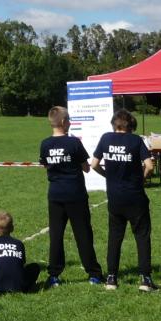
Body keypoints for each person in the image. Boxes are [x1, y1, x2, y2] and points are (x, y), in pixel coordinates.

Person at [91, 108, 156, 292]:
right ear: (131, 125)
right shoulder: (136, 140)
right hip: (135, 196)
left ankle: (111, 278)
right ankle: (145, 279)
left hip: (115, 197)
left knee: (115, 237)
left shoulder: (106, 138)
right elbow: (150, 166)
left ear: (115, 124)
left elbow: (94, 164)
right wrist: (141, 179)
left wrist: (108, 176)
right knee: (142, 236)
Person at [42, 106, 103, 287]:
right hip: (75, 194)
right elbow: (86, 168)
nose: (69, 123)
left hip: (55, 195)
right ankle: (93, 273)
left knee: (56, 235)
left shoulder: (45, 144)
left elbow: (46, 165)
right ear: (63, 122)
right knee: (83, 234)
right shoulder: (74, 143)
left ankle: (54, 275)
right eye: (68, 120)